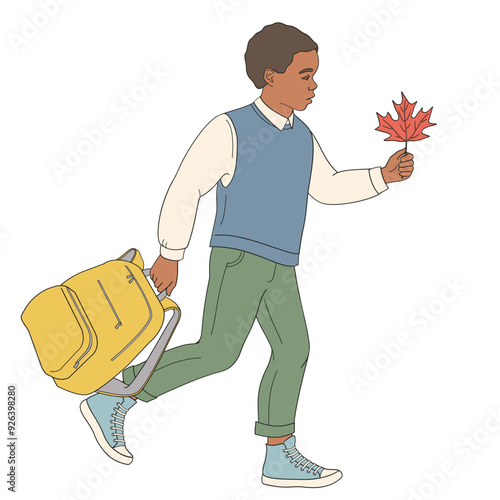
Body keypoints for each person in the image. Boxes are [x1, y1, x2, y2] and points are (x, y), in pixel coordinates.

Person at [80, 22, 414, 488]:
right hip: (238, 258)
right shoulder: (230, 127)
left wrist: (382, 176)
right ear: (270, 76)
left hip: (281, 264)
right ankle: (114, 394)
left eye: (315, 74)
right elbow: (186, 187)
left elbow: (328, 186)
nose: (314, 85)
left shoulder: (302, 136)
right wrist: (170, 253)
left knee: (293, 349)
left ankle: (278, 455)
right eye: (305, 74)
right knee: (218, 351)